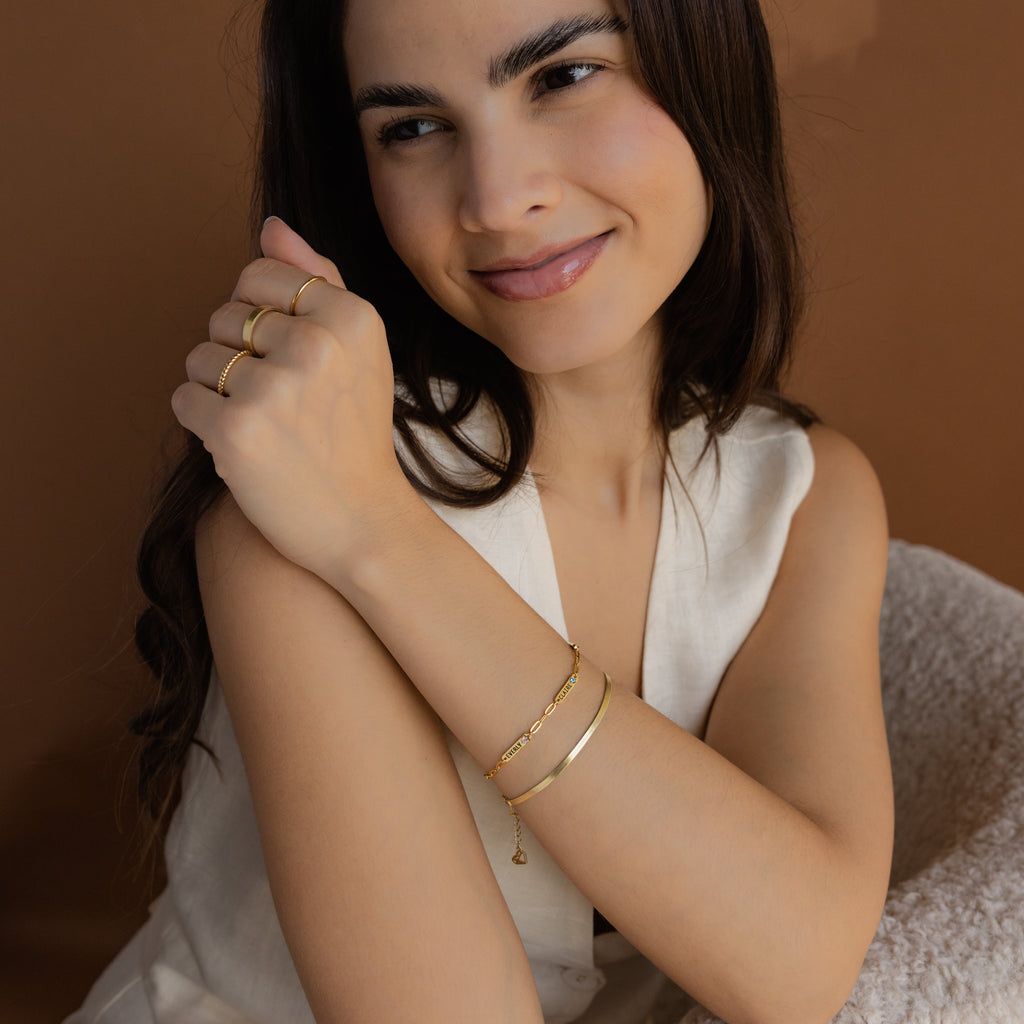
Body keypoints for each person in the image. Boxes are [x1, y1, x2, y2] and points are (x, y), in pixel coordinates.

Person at [67, 0, 894, 1021]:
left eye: (561, 77)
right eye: (411, 128)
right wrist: (349, 513)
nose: (497, 200)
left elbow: (799, 964)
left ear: (705, 64)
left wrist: (379, 536)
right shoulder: (282, 505)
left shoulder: (803, 497)